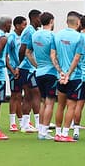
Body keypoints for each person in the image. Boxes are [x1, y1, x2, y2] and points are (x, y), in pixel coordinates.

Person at [51, 11, 84, 142]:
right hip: (74, 77)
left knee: (60, 105)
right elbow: (76, 58)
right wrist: (69, 74)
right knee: (71, 106)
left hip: (61, 76)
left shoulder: (57, 35)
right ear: (78, 23)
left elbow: (53, 55)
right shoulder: (79, 37)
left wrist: (60, 72)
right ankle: (64, 134)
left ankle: (58, 133)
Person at [29, 11, 58, 140]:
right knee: (49, 102)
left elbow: (28, 52)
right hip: (50, 72)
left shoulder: (35, 35)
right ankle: (44, 132)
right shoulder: (52, 36)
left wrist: (37, 65)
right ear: (51, 21)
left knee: (43, 102)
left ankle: (41, 130)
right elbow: (54, 56)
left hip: (39, 72)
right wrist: (60, 69)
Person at [17, 9, 41, 134]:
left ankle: (25, 124)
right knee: (35, 93)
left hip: (29, 68)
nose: (41, 21)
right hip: (27, 68)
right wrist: (20, 64)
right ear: (34, 18)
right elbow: (22, 49)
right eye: (39, 18)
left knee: (28, 96)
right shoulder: (29, 31)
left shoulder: (33, 31)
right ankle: (37, 123)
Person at [6, 16, 26, 132]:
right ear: (17, 25)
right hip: (14, 70)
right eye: (23, 24)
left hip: (22, 69)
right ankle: (12, 123)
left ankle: (21, 121)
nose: (25, 27)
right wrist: (12, 70)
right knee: (15, 95)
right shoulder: (11, 38)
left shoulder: (23, 37)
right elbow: (6, 56)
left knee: (21, 95)